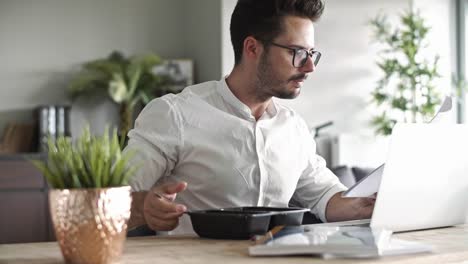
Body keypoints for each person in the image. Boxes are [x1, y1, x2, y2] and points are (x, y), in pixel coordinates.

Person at [126, 0, 375, 235]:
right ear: (252, 48)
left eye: (312, 53)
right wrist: (143, 207)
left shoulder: (293, 127)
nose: (310, 66)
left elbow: (325, 197)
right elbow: (104, 200)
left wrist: (371, 203)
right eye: (297, 52)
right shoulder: (174, 115)